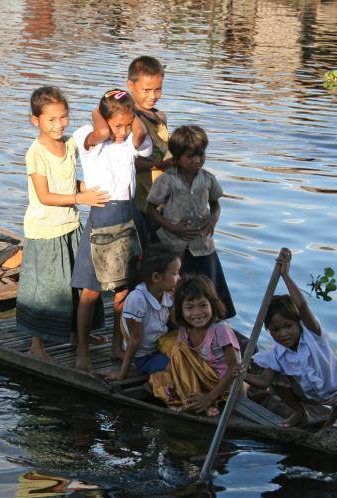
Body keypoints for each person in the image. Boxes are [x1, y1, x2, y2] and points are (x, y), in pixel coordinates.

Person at [16, 86, 110, 361]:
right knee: (46, 288)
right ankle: (37, 345)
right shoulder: (36, 153)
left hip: (70, 225)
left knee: (74, 283)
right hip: (46, 230)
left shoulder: (69, 144)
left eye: (63, 117)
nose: (59, 125)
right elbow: (44, 195)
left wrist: (89, 190)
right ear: (36, 121)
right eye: (51, 119)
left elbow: (69, 181)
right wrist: (80, 197)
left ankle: (75, 334)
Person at [71, 89, 152, 372]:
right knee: (91, 291)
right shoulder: (87, 137)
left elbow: (140, 133)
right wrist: (101, 113)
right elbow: (102, 131)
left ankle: (118, 344)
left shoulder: (130, 139)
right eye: (118, 125)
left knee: (124, 289)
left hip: (127, 213)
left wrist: (131, 115)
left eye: (127, 124)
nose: (123, 131)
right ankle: (83, 349)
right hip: (103, 215)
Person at [245, 248, 337, 427]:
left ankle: (336, 413)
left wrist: (285, 275)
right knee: (277, 379)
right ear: (269, 331)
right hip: (310, 396)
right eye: (276, 329)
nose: (283, 334)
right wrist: (239, 374)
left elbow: (301, 305)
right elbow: (263, 382)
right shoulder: (276, 355)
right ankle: (299, 412)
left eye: (289, 326)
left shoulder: (313, 335)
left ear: (298, 323)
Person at [146, 125, 236, 318]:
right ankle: (174, 323)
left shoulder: (207, 179)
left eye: (200, 155)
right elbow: (151, 210)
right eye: (190, 156)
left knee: (207, 286)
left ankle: (210, 322)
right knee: (176, 288)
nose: (197, 161)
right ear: (177, 158)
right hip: (174, 245)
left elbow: (216, 205)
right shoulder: (167, 180)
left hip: (201, 244)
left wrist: (213, 219)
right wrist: (173, 228)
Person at [150, 275, 241, 416]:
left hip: (224, 384)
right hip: (202, 379)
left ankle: (205, 402)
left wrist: (210, 397)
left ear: (212, 304)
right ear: (181, 310)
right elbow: (181, 362)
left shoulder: (220, 330)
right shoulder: (185, 330)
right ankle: (193, 397)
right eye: (189, 307)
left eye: (203, 305)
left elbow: (235, 368)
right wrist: (176, 381)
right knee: (172, 359)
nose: (197, 313)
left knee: (179, 351)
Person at [104, 244, 181, 381]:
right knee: (179, 369)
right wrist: (122, 374)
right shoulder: (138, 299)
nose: (179, 278)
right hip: (144, 356)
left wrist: (177, 301)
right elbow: (135, 339)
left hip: (160, 345)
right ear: (156, 277)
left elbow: (177, 322)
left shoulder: (166, 293)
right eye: (175, 274)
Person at [126, 55, 172, 245]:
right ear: (130, 85)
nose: (153, 96)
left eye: (158, 89)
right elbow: (126, 160)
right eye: (146, 90)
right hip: (139, 201)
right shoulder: (126, 119)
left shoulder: (159, 117)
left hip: (160, 198)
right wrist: (158, 164)